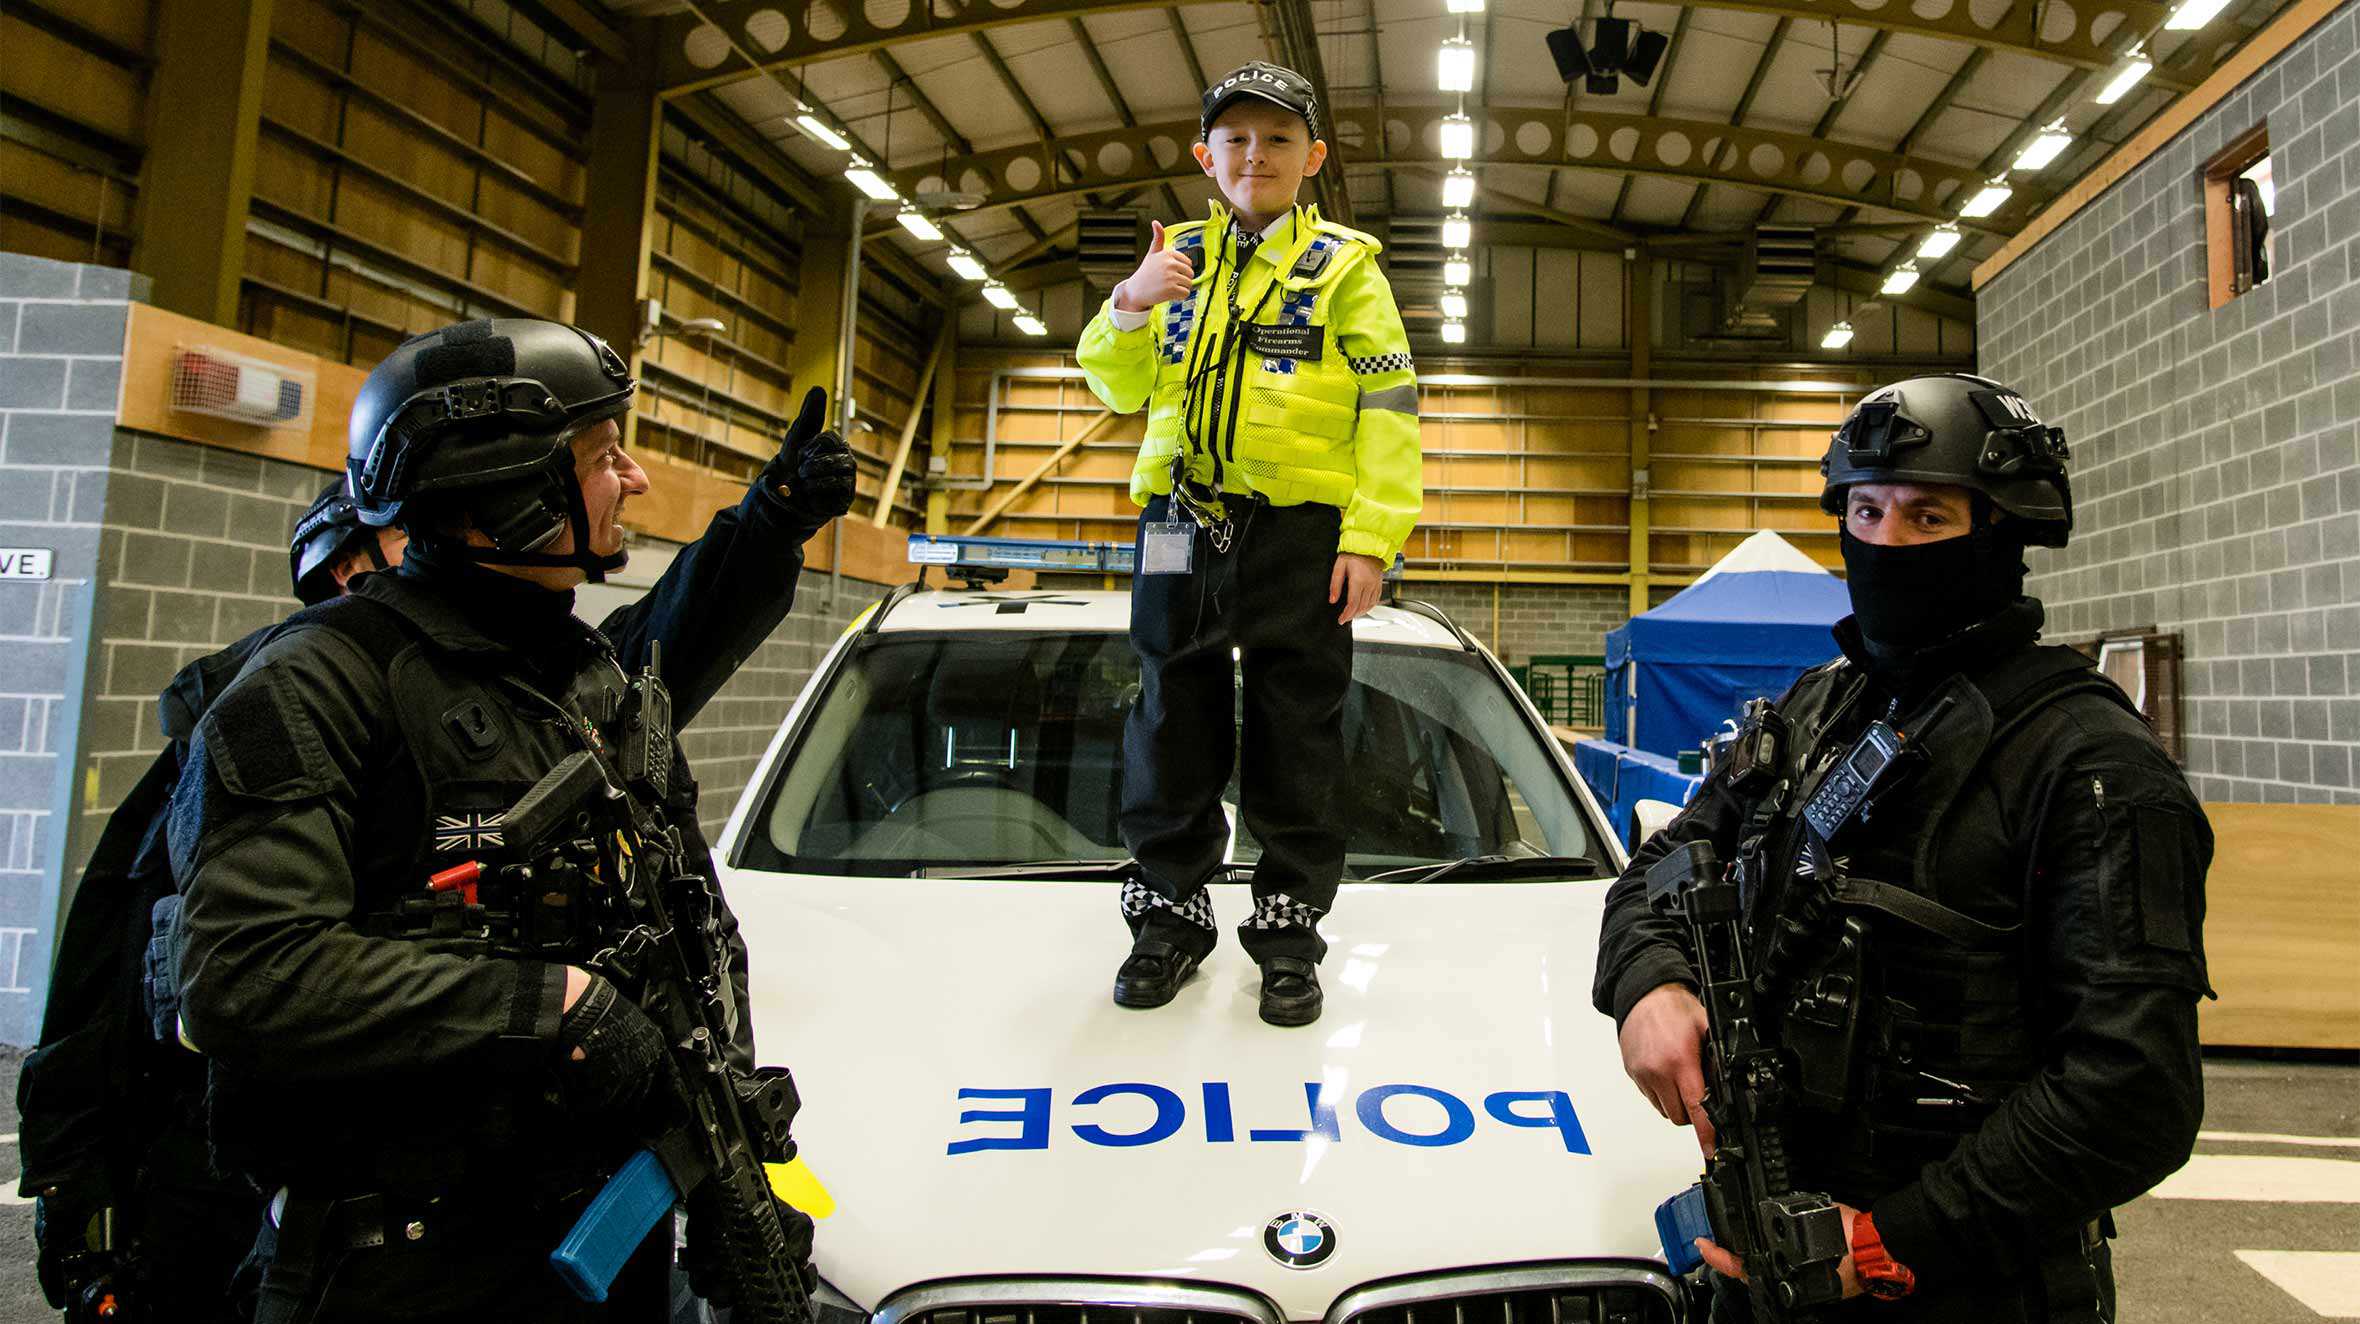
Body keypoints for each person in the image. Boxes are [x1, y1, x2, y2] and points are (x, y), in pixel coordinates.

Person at [163, 317, 856, 1322]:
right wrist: (556, 1006)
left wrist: (724, 1162)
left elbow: (675, 933)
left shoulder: (582, 681)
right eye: (603, 456)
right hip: (404, 1275)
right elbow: (249, 974)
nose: (636, 479)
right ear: (514, 487)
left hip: (585, 1247)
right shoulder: (314, 686)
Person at [1595, 373, 2213, 1320]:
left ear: (2003, 534)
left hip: (1970, 1279)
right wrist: (1650, 981)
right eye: (1867, 512)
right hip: (1770, 1249)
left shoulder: (2091, 763)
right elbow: (1664, 866)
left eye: (1928, 519)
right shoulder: (1817, 710)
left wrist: (1887, 1243)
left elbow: (2132, 1094)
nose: (1885, 543)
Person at [1076, 60, 1422, 1027]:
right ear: (1204, 154)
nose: (1254, 155)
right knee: (1169, 717)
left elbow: (1390, 408)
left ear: (1312, 157)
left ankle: (1286, 931)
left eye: (1277, 140)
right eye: (1235, 138)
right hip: (1179, 524)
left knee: (1295, 727)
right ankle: (1169, 917)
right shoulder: (1173, 258)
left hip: (1301, 533)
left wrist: (1373, 538)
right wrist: (1132, 301)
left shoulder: (1349, 268)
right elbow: (1116, 387)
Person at [20, 482, 404, 1323]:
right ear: (348, 568)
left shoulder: (466, 731)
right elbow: (104, 977)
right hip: (209, 1178)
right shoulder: (248, 714)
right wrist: (74, 1194)